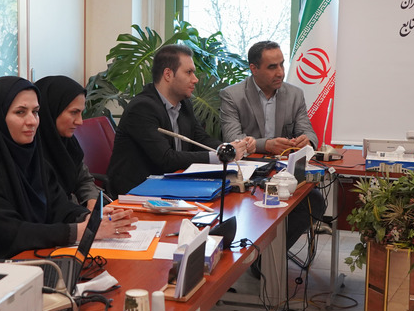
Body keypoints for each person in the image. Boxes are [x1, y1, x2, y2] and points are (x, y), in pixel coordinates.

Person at [0, 76, 134, 262]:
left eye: (36, 111)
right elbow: (9, 232)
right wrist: (79, 231)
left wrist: (89, 219)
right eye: (20, 112)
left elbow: (58, 205)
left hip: (25, 259)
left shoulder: (32, 158)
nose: (32, 121)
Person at [107, 44, 255, 198]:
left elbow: (200, 139)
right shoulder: (142, 108)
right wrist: (219, 157)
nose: (195, 79)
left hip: (172, 184)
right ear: (168, 74)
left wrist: (229, 148)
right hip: (137, 192)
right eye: (189, 72)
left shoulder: (184, 103)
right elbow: (166, 159)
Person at [220, 40, 326, 248]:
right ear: (254, 69)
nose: (280, 72)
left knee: (315, 202)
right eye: (272, 67)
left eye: (282, 64)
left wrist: (306, 141)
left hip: (283, 174)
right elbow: (234, 138)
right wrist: (266, 145)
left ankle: (272, 253)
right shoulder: (232, 96)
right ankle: (259, 254)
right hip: (249, 174)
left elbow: (309, 133)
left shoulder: (295, 95)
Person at [35, 75, 103, 209]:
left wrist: (92, 203)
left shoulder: (68, 143)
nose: (80, 121)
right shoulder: (29, 150)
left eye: (81, 113)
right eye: (74, 112)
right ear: (52, 109)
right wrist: (83, 216)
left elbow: (84, 180)